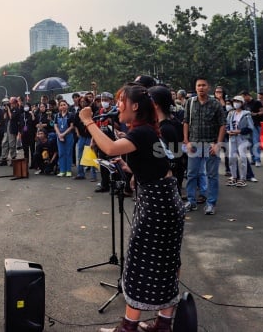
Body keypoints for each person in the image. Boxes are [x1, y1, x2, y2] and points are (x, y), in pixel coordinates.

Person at [79, 84, 184, 332]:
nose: (117, 105)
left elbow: (111, 148)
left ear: (135, 106)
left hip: (157, 207)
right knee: (167, 262)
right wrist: (131, 169)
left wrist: (87, 121)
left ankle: (129, 326)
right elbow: (157, 165)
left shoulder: (143, 133)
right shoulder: (147, 132)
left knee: (141, 263)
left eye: (121, 101)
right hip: (165, 202)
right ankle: (163, 323)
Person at [183, 77, 226, 215]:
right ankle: (191, 201)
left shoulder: (215, 104)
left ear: (208, 87)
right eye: (198, 85)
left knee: (212, 176)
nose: (201, 88)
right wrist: (187, 141)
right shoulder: (190, 103)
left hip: (211, 144)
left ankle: (211, 203)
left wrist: (218, 144)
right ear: (195, 88)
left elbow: (222, 125)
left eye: (203, 85)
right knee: (191, 174)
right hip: (194, 144)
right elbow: (185, 123)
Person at [225, 96, 254, 188]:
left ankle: (243, 178)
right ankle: (233, 177)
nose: (235, 103)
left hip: (242, 138)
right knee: (231, 157)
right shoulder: (231, 113)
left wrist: (239, 131)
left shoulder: (246, 114)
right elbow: (227, 125)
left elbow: (250, 127)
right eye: (234, 101)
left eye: (238, 101)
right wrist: (228, 131)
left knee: (242, 158)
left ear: (242, 103)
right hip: (232, 137)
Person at [241, 90, 263, 166]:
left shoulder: (256, 102)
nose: (243, 99)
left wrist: (255, 114)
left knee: (256, 142)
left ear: (247, 95)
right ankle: (253, 158)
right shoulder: (244, 104)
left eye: (244, 97)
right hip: (247, 125)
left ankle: (257, 159)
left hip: (255, 124)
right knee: (250, 143)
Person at [54, 100, 75, 177]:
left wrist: (63, 134)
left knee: (68, 153)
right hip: (59, 136)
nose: (63, 106)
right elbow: (55, 125)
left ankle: (68, 170)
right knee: (61, 153)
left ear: (67, 105)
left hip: (68, 136)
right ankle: (62, 170)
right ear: (59, 107)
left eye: (64, 104)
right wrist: (59, 134)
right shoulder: (57, 115)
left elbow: (72, 126)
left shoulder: (70, 115)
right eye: (61, 105)